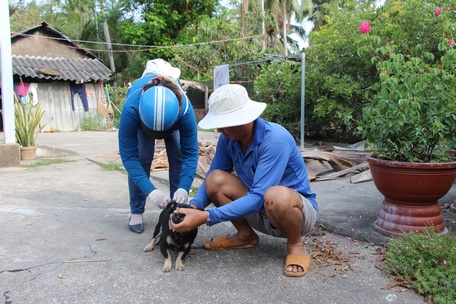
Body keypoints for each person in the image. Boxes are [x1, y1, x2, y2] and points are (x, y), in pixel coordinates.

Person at [170, 84, 318, 277]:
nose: (220, 129)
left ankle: (295, 244)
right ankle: (245, 235)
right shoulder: (229, 138)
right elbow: (215, 174)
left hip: (296, 213)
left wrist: (208, 217)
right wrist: (195, 207)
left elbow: (258, 197)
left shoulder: (275, 140)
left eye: (225, 123)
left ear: (245, 118)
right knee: (214, 180)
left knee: (276, 195)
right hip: (261, 207)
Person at [118, 59, 199, 234]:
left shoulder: (185, 111)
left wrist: (184, 187)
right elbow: (129, 157)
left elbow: (190, 154)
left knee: (177, 153)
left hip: (173, 122)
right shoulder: (131, 109)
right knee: (142, 156)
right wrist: (151, 192)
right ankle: (137, 210)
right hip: (143, 122)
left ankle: (177, 207)